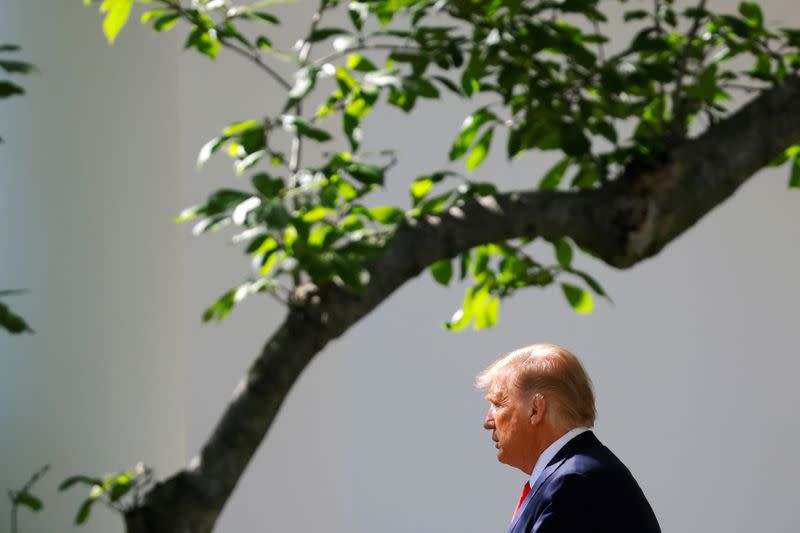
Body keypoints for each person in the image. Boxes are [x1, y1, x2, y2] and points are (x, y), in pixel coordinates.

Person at [477, 343, 661, 533]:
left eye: (498, 404)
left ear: (535, 409)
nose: (488, 421)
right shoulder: (579, 472)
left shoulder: (572, 483)